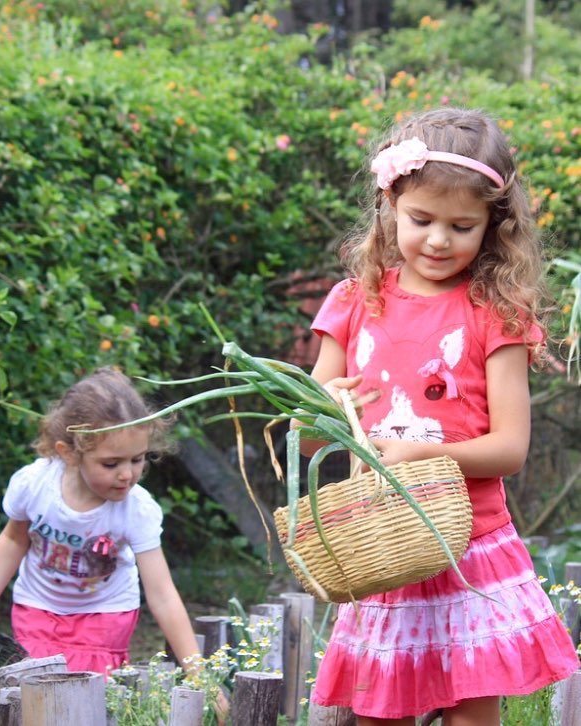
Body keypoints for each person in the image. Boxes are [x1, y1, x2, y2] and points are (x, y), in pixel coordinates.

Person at [298, 108, 579, 725]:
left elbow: (509, 449)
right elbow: (307, 430)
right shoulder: (353, 303)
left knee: (471, 717)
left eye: (462, 226)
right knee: (381, 715)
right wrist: (325, 411)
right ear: (388, 208)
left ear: (492, 227)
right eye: (420, 220)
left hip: (470, 547)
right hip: (384, 545)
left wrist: (426, 454)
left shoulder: (494, 313)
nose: (437, 240)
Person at [0, 367, 203, 676]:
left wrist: (199, 673)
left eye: (137, 459)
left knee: (86, 697)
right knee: (35, 688)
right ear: (70, 453)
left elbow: (162, 594)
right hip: (38, 608)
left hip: (105, 617)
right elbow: (12, 540)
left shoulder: (136, 509)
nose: (127, 474)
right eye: (111, 463)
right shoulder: (34, 485)